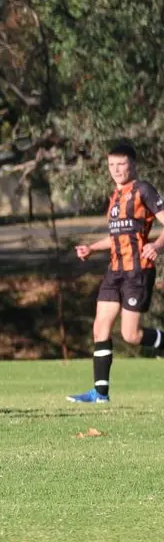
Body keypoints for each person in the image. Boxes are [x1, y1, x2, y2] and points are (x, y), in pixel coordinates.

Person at [68, 142, 164, 403]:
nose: (116, 170)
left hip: (137, 272)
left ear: (133, 164)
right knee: (100, 328)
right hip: (114, 272)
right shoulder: (114, 197)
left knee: (131, 335)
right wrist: (91, 248)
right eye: (112, 165)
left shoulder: (143, 190)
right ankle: (100, 394)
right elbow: (117, 237)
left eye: (121, 164)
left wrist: (156, 245)